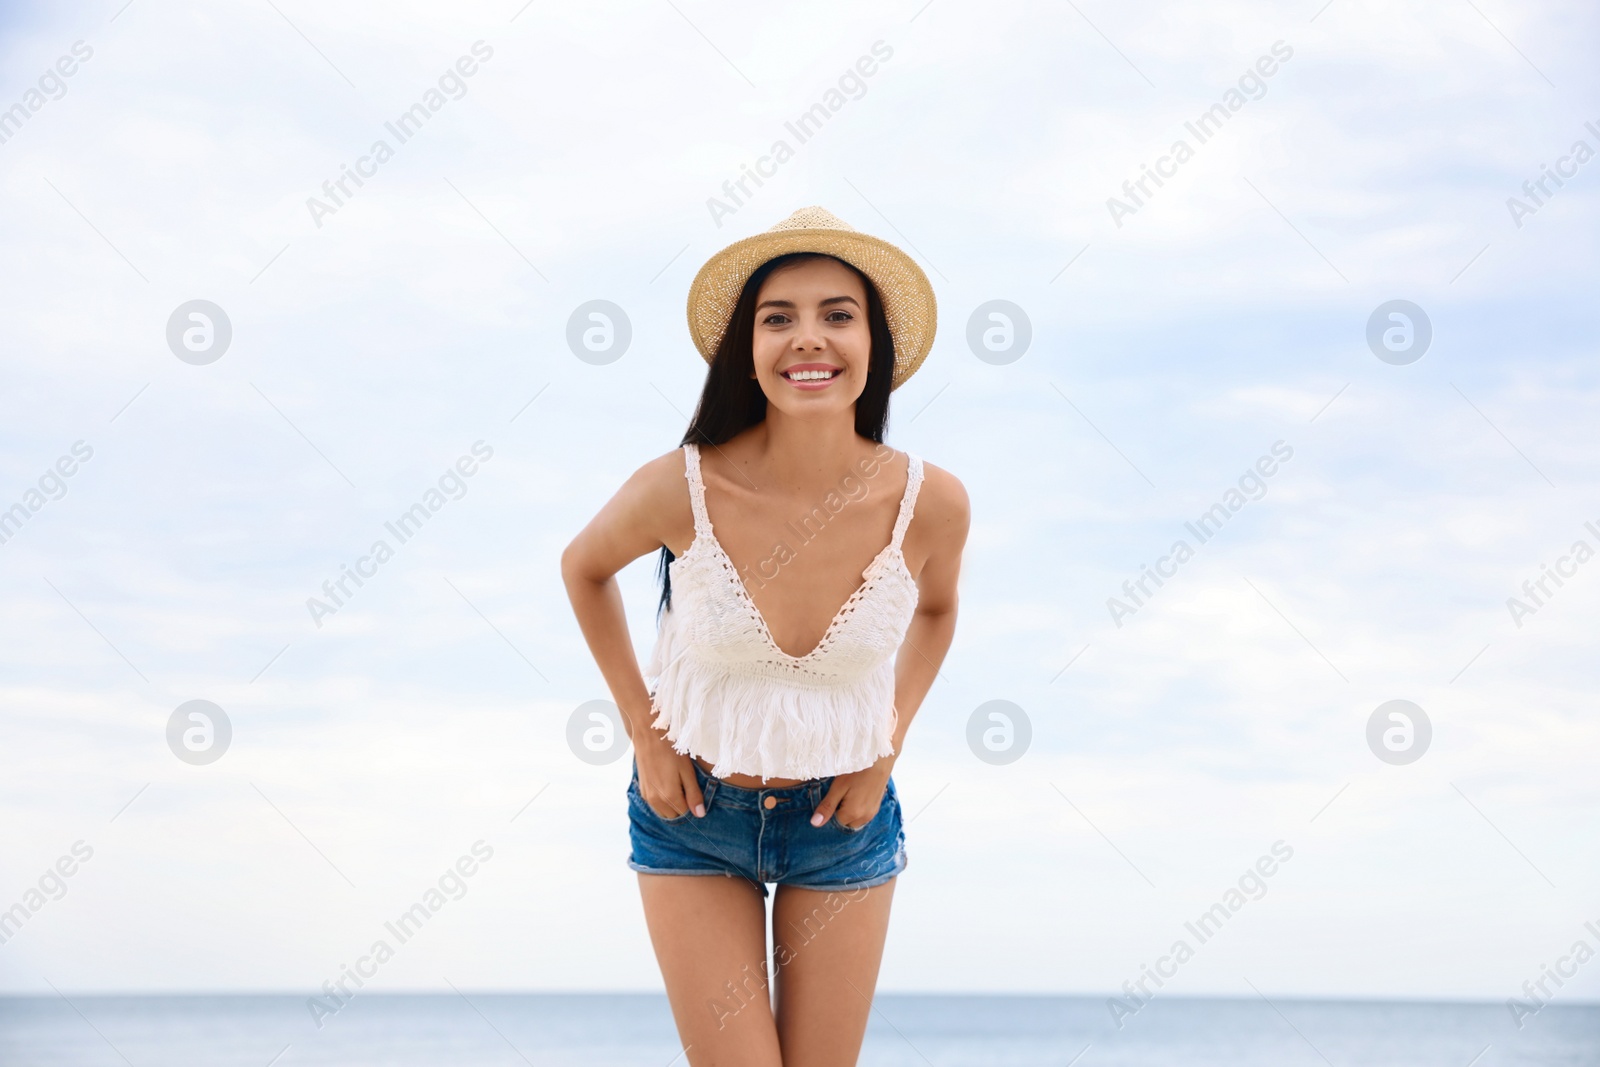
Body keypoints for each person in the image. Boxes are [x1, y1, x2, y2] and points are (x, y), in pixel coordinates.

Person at [562, 205, 970, 1065]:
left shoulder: (929, 502)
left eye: (837, 314)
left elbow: (937, 610)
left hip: (842, 822)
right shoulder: (684, 487)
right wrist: (644, 731)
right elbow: (583, 567)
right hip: (694, 814)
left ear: (875, 341)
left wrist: (885, 745)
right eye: (776, 318)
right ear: (748, 349)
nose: (807, 339)